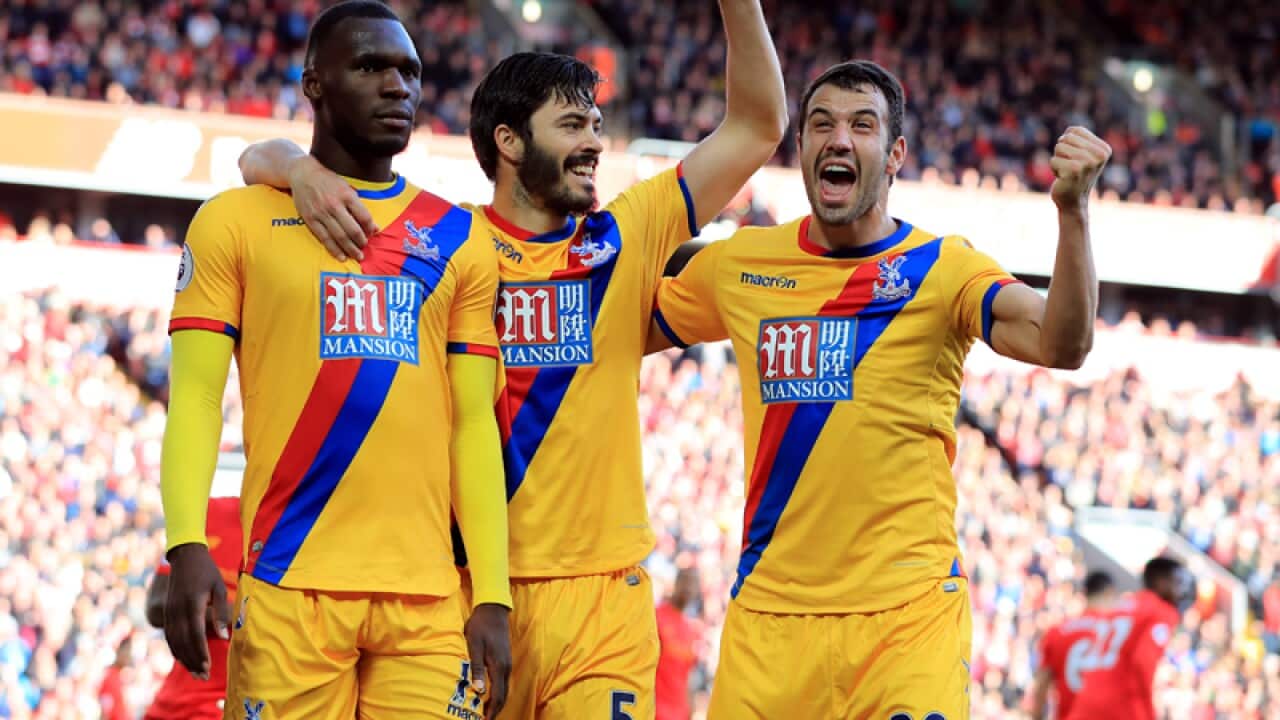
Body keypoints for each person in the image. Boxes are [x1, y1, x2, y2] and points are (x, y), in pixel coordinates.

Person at [238, 1, 787, 715]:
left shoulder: (625, 238)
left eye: (595, 124)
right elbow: (253, 161)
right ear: (509, 141)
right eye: (572, 126)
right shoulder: (442, 246)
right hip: (465, 593)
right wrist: (296, 168)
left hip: (600, 605)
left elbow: (756, 128)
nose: (595, 141)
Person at [649, 59, 1110, 718]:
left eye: (862, 125)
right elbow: (614, 328)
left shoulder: (942, 269)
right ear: (802, 147)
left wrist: (1074, 215)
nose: (839, 139)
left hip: (905, 623)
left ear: (894, 155)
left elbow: (1064, 343)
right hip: (770, 624)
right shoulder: (742, 264)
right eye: (821, 125)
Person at [159, 2, 512, 718]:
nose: (398, 87)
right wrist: (186, 541)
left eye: (409, 71)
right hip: (289, 582)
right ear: (313, 83)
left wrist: (493, 593)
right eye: (371, 67)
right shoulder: (235, 221)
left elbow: (473, 425)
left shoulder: (459, 238)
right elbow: (195, 397)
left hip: (427, 597)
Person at [144, 495, 242, 720]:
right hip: (180, 706)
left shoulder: (316, 535)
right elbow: (157, 604)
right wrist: (228, 612)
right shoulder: (208, 512)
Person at [1066, 557, 1190, 720]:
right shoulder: (1161, 610)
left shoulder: (1124, 604)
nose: (1180, 589)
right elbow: (1142, 662)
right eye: (1176, 581)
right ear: (1161, 581)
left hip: (1085, 702)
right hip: (1119, 706)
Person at [1029, 570, 1118, 720]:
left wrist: (1036, 716)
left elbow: (1042, 685)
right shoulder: (1115, 633)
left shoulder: (1058, 631)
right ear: (1110, 592)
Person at [655, 567, 702, 720]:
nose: (689, 587)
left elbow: (688, 677)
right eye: (686, 581)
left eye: (694, 583)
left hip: (680, 714)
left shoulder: (692, 630)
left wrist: (691, 710)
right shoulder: (656, 616)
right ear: (676, 583)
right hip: (655, 711)